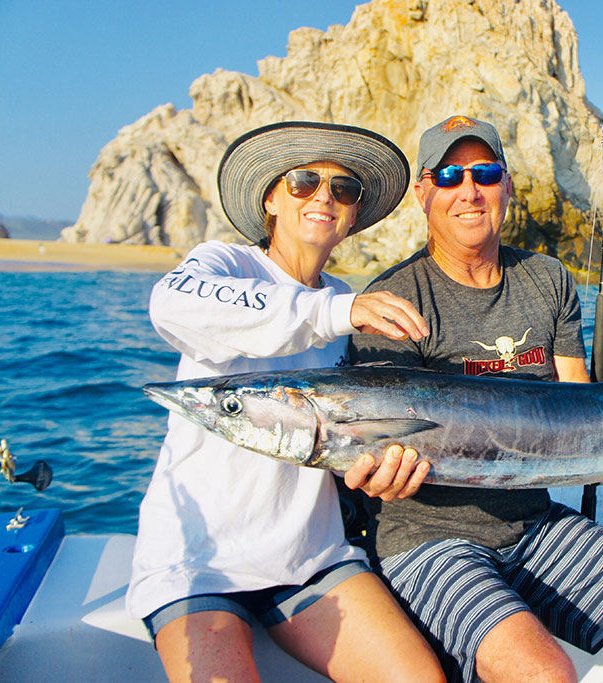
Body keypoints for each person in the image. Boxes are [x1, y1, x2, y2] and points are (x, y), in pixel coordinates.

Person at [352, 115, 603, 682]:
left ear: (509, 185)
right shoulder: (393, 299)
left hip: (534, 524)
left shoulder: (546, 279)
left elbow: (583, 411)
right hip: (429, 541)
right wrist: (373, 475)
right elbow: (370, 436)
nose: (469, 190)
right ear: (423, 193)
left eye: (486, 172)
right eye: (449, 175)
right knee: (544, 673)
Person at [127, 121, 444, 682]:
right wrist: (330, 315)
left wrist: (381, 474)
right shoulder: (224, 266)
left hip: (308, 560)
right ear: (271, 198)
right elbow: (169, 305)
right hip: (197, 565)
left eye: (343, 190)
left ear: (351, 217)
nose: (324, 195)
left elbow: (357, 433)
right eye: (303, 182)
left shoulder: (349, 305)